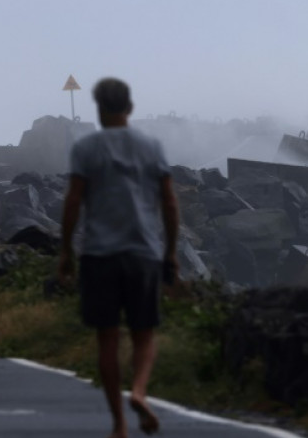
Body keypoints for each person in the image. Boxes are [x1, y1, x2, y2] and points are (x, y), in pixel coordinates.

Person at [58, 77, 180, 438]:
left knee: (107, 339)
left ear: (98, 109)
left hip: (99, 254)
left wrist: (66, 250)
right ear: (129, 108)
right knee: (144, 334)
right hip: (143, 253)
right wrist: (171, 251)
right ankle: (140, 391)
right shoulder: (151, 146)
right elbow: (169, 202)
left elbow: (74, 201)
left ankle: (119, 424)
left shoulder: (86, 148)